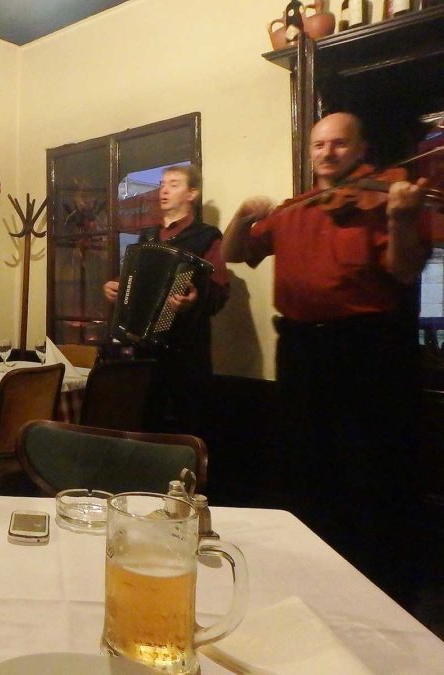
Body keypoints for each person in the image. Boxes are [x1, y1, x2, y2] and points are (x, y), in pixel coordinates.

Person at [222, 112, 429, 600]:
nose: (328, 153)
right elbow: (233, 252)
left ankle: (376, 583)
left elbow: (403, 272)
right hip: (299, 347)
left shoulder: (385, 195)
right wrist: (242, 215)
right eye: (320, 145)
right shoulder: (296, 206)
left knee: (366, 469)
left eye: (339, 144)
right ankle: (312, 576)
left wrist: (400, 218)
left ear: (361, 150)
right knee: (304, 465)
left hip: (364, 346)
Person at [104, 164, 229, 435]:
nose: (164, 190)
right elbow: (132, 281)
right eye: (162, 184)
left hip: (187, 353)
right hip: (146, 352)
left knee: (189, 426)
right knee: (147, 423)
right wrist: (116, 288)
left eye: (174, 184)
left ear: (192, 193)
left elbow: (220, 291)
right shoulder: (147, 237)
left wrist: (195, 301)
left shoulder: (207, 237)